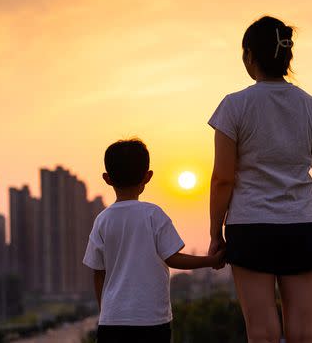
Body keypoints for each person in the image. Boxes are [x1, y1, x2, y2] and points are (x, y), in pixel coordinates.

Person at [208, 16, 312, 343]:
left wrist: (215, 232)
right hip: (303, 224)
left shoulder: (233, 106)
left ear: (249, 56)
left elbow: (223, 178)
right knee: (304, 331)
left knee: (262, 331)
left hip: (250, 226)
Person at [83, 139, 224, 343]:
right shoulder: (153, 214)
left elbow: (98, 272)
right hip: (151, 320)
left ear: (107, 178)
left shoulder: (102, 220)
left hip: (112, 321)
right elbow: (173, 259)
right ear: (148, 176)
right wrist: (210, 261)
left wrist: (106, 310)